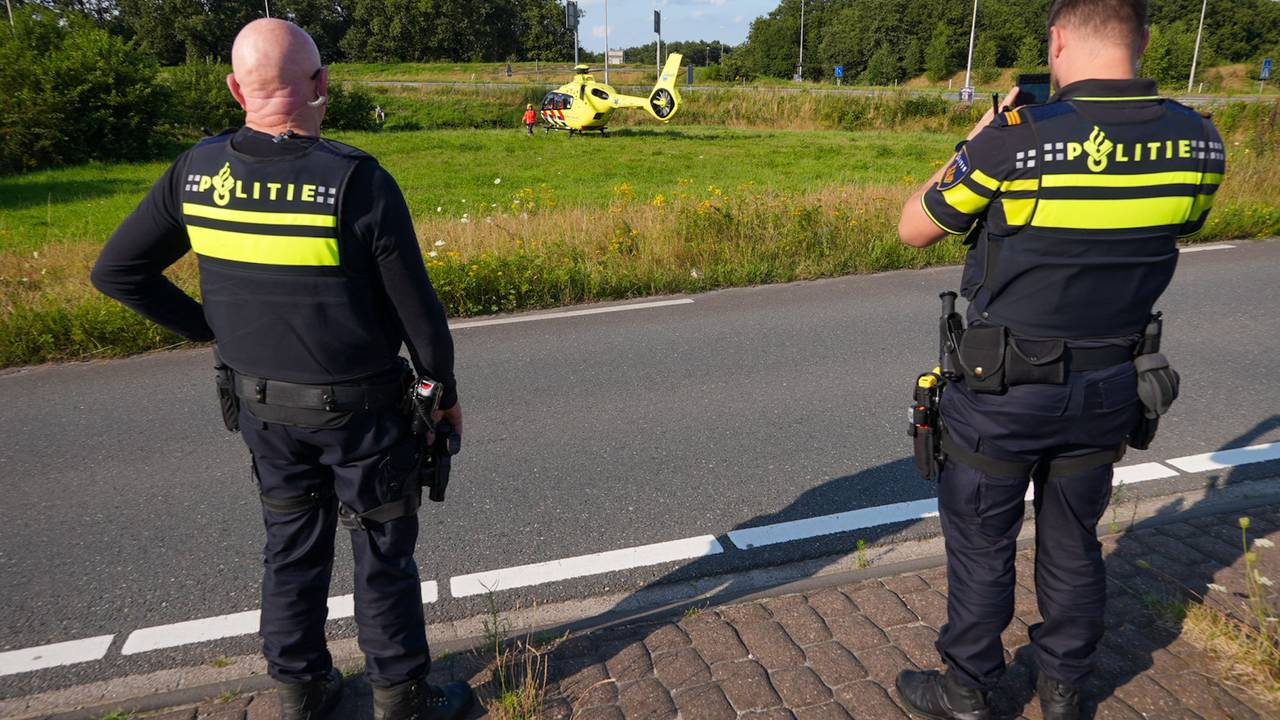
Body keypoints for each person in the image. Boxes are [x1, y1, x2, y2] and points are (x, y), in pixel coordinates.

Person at [91, 19, 473, 720]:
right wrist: (440, 391)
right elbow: (420, 317)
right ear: (321, 83)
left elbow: (117, 272)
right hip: (361, 413)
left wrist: (213, 331)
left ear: (236, 88)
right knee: (382, 544)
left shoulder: (196, 172)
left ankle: (300, 690)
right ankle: (400, 695)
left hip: (261, 408)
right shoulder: (356, 181)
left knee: (290, 543)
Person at [894, 1, 1224, 719]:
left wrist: (974, 139)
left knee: (983, 542)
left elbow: (914, 226)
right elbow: (1179, 222)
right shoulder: (1202, 141)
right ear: (1141, 40)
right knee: (1075, 540)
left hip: (1002, 392)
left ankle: (968, 689)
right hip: (1111, 384)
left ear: (1058, 38)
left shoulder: (1016, 140)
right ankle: (1066, 689)